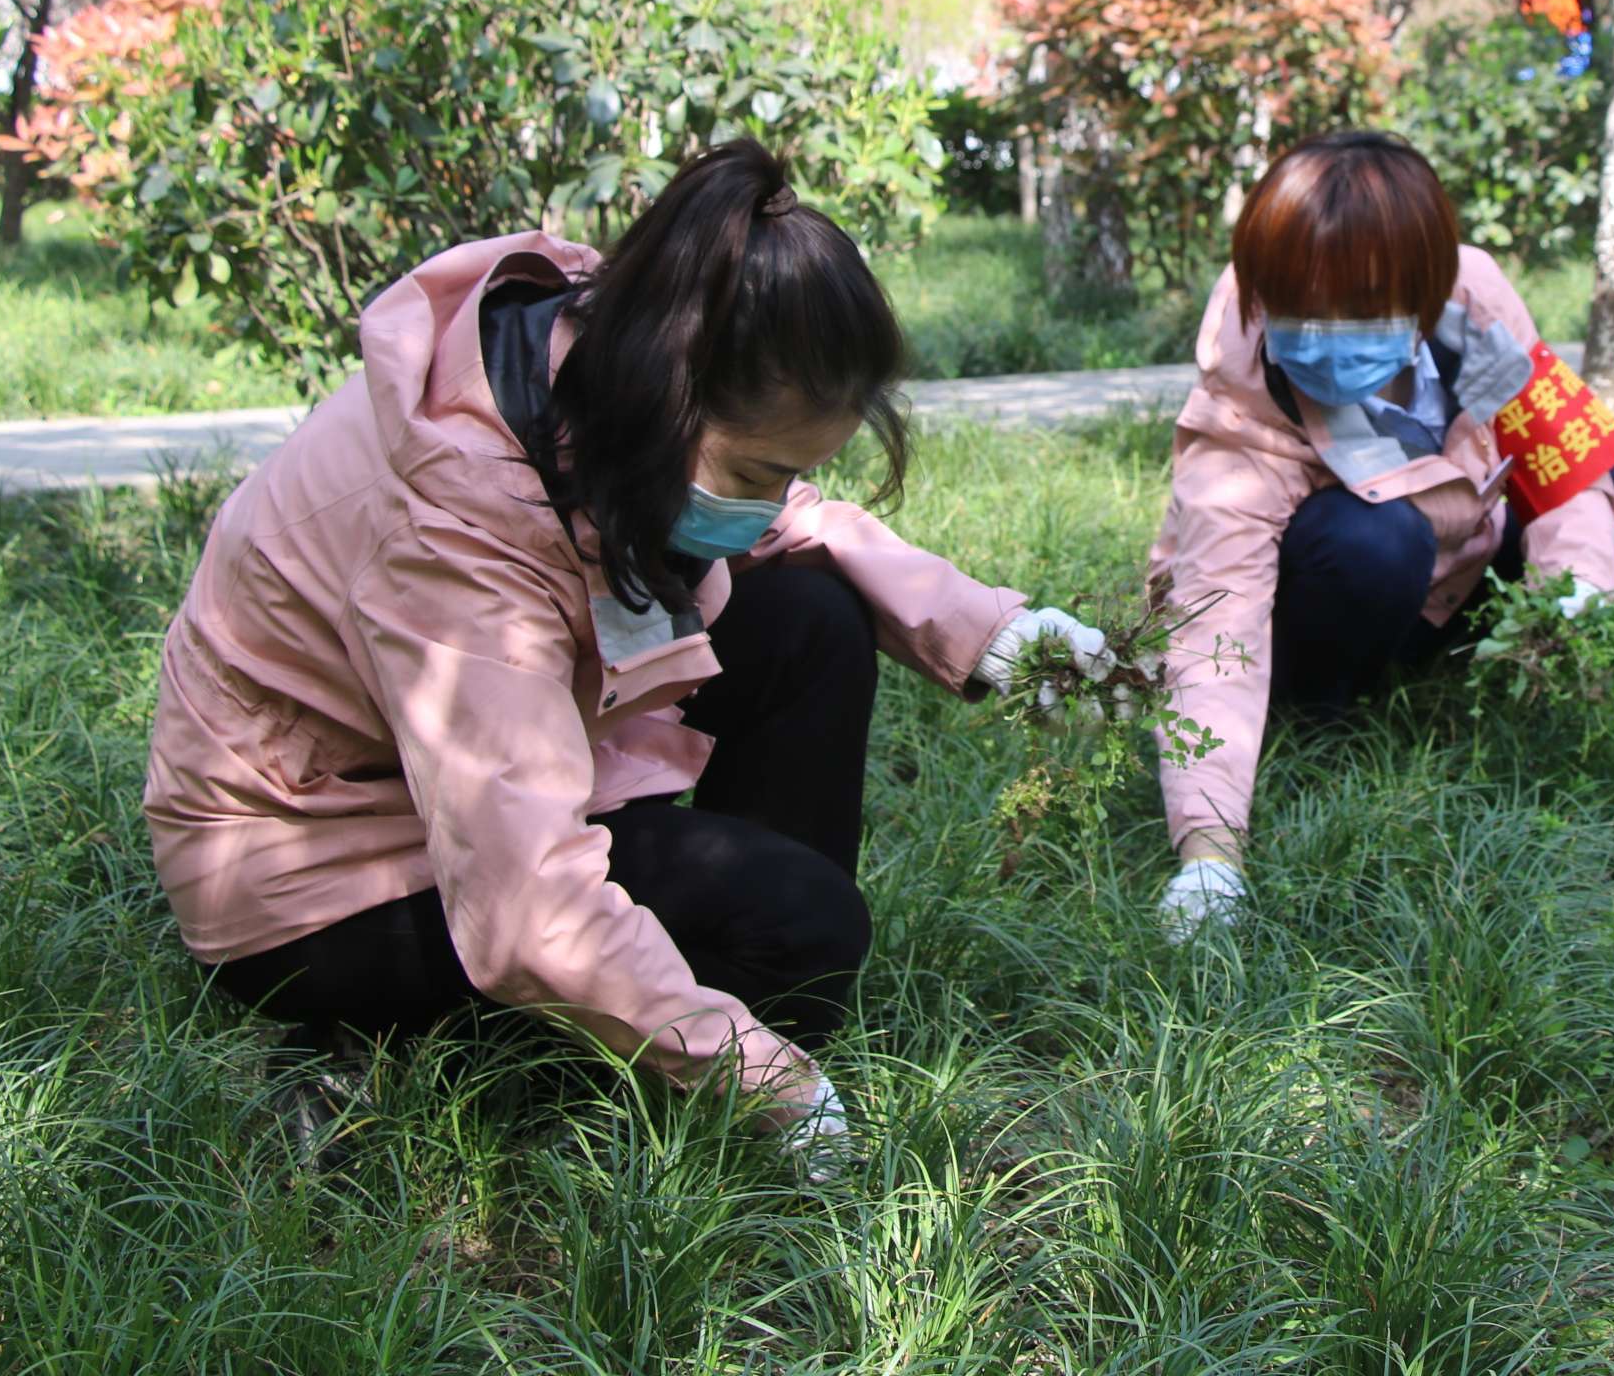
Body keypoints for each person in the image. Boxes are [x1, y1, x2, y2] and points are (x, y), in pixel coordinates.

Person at [144, 140, 1108, 1160]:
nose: (774, 498)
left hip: (450, 781)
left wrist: (999, 631)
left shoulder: (611, 347)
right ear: (669, 404)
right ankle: (419, 1050)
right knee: (802, 924)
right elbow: (525, 905)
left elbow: (792, 521)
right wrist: (761, 1079)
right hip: (316, 871)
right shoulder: (457, 522)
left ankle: (728, 982)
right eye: (763, 468)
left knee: (814, 622)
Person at [1149, 130, 1614, 932]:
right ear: (1264, 291)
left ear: (1424, 291)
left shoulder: (1470, 308)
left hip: (1458, 574)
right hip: (1323, 606)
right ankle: (1327, 719)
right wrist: (1208, 852)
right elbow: (1216, 627)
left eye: (1362, 309)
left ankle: (1524, 681)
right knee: (1377, 537)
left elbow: (1559, 467)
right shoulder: (1243, 413)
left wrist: (1573, 597)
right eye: (1303, 308)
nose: (1329, 332)